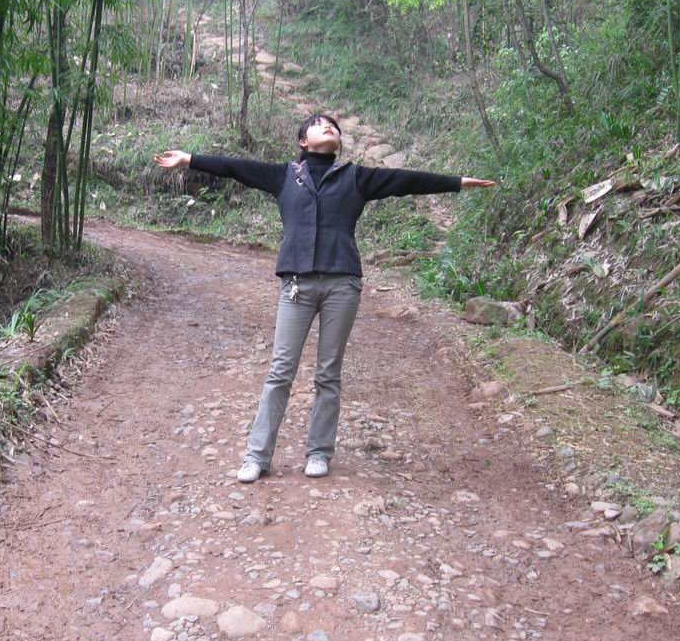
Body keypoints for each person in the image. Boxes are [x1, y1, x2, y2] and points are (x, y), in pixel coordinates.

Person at [155, 113, 495, 483]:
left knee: (328, 374)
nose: (329, 127)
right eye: (319, 124)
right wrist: (190, 159)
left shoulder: (355, 177)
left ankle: (318, 452)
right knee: (280, 372)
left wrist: (457, 182)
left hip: (342, 286)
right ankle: (256, 456)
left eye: (333, 125)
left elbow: (406, 180)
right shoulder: (284, 176)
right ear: (303, 141)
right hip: (296, 285)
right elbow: (236, 167)